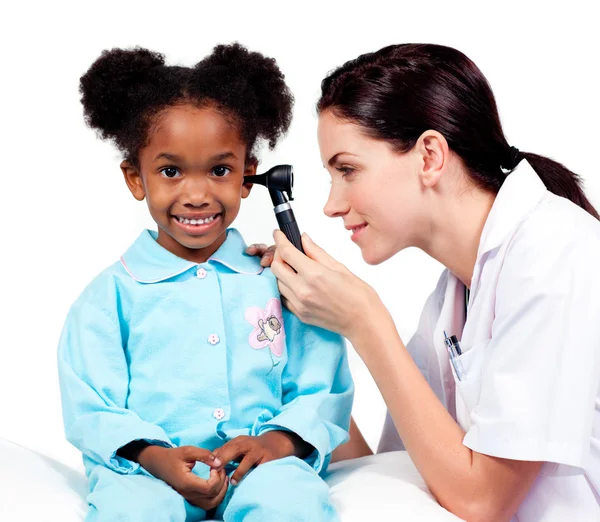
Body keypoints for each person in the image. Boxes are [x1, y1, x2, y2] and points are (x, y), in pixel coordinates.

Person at [249, 43, 600, 521]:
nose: (331, 204)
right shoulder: (452, 296)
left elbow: (482, 501)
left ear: (430, 155)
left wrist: (364, 319)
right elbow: (400, 476)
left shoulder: (557, 250)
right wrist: (314, 341)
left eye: (347, 170)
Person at [57, 43, 353, 522]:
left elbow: (322, 386)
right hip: (147, 474)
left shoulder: (279, 281)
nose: (196, 195)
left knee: (291, 501)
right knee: (132, 511)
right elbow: (92, 406)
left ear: (247, 176)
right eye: (170, 171)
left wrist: (273, 444)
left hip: (261, 467)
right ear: (136, 179)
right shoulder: (108, 298)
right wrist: (154, 458)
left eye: (219, 170)